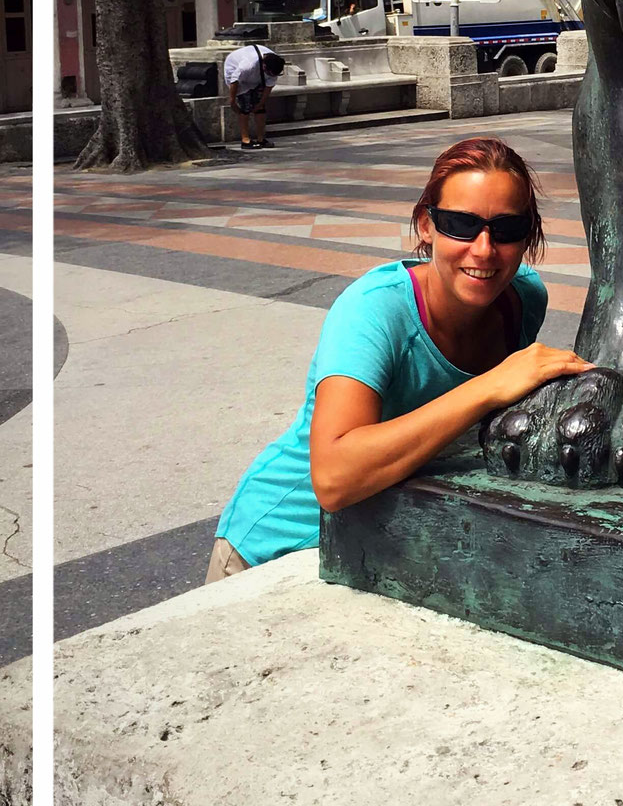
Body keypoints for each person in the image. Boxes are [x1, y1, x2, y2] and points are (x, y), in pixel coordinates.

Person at [206, 136, 589, 580]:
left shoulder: (523, 298)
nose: (484, 249)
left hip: (383, 545)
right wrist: (487, 387)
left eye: (506, 230)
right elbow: (334, 478)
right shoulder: (374, 310)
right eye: (460, 225)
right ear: (427, 226)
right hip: (279, 547)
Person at [223, 40, 286, 150]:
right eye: (271, 74)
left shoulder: (275, 63)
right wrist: (232, 100)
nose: (273, 76)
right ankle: (245, 139)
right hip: (238, 76)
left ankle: (261, 139)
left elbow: (268, 87)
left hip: (257, 78)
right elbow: (235, 80)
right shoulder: (247, 65)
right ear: (264, 67)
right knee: (245, 107)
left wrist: (261, 103)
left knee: (260, 109)